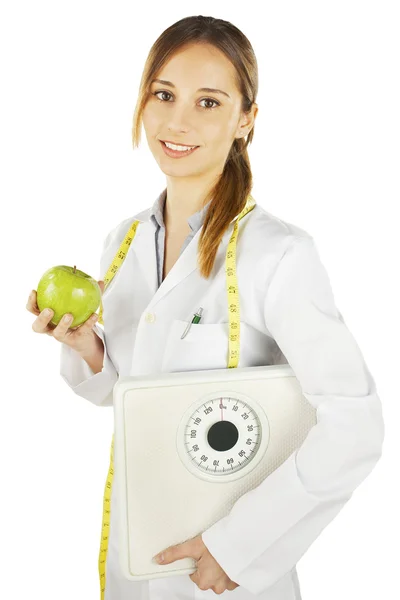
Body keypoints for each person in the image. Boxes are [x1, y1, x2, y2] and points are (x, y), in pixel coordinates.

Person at [26, 15, 384, 600]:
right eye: (164, 94)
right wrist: (88, 350)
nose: (177, 120)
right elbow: (136, 399)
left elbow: (354, 423)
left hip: (226, 577)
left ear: (246, 120)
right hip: (135, 557)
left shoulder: (279, 254)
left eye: (209, 102)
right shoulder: (122, 243)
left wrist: (238, 544)